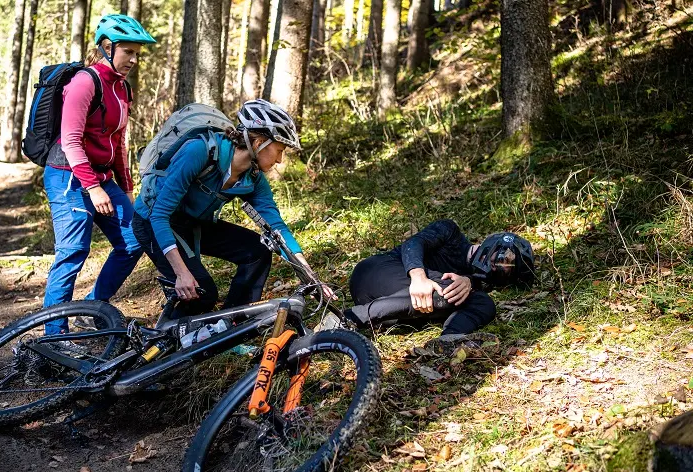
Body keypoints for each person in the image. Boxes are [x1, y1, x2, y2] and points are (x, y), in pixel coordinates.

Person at [132, 99, 333, 316]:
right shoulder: (199, 151)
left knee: (258, 251)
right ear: (259, 143)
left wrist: (312, 278)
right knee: (202, 294)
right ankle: (164, 340)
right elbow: (160, 214)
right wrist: (181, 272)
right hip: (153, 221)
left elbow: (277, 229)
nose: (280, 159)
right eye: (279, 150)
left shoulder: (253, 178)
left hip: (193, 223)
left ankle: (233, 323)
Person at [41, 15, 156, 334]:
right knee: (73, 251)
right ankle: (54, 336)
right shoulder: (84, 82)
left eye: (137, 53)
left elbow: (117, 142)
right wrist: (92, 188)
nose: (134, 59)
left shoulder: (122, 89)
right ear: (107, 47)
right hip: (68, 178)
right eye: (128, 52)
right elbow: (71, 139)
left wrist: (126, 188)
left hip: (102, 179)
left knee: (134, 240)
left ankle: (89, 309)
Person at [318, 220, 535, 336]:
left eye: (508, 270)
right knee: (453, 291)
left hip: (394, 312)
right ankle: (344, 319)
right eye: (503, 259)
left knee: (482, 303)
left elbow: (473, 287)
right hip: (375, 273)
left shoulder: (477, 284)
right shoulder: (451, 233)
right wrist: (418, 276)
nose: (502, 266)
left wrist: (469, 282)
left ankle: (450, 339)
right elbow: (413, 244)